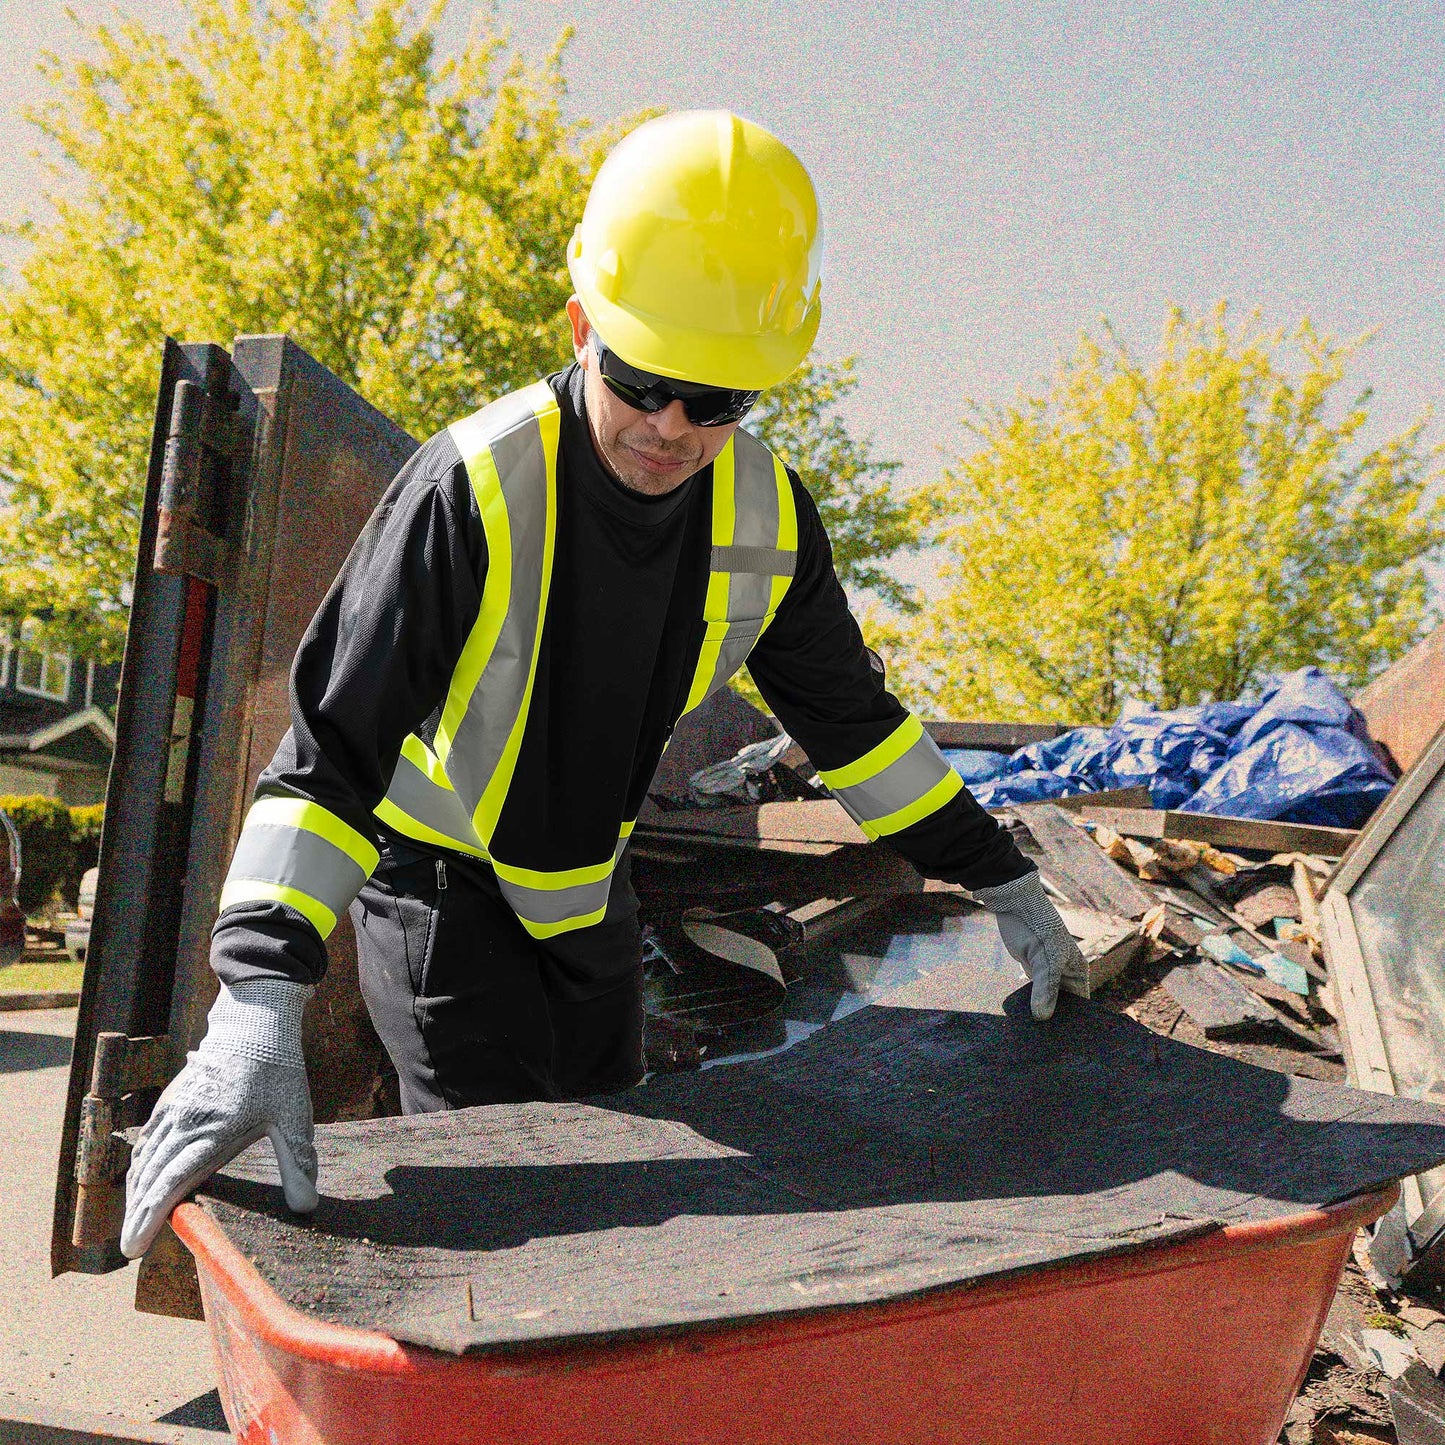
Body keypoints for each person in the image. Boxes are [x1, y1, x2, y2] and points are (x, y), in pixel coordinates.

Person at [121, 110, 1086, 1260]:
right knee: (503, 1207)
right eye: (643, 380)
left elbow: (857, 732)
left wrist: (1003, 880)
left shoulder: (767, 516)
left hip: (586, 901)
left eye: (720, 399)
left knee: (621, 1192)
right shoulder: (473, 483)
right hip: (438, 899)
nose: (674, 428)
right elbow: (332, 750)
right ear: (583, 327)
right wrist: (258, 1000)